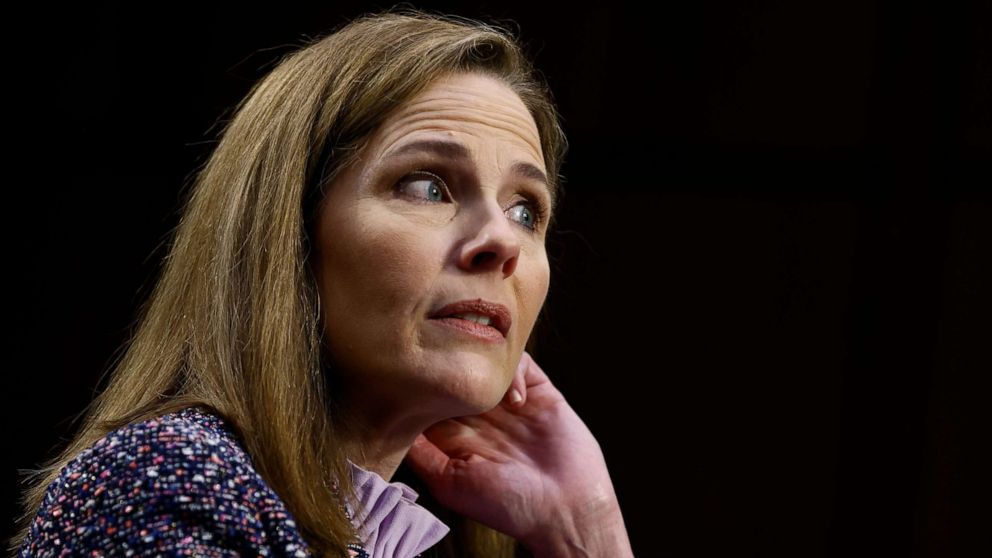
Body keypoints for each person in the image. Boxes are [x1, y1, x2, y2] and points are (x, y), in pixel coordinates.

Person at [11, 8, 634, 557]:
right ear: (289, 234)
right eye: (427, 186)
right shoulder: (168, 481)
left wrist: (587, 531)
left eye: (527, 211)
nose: (501, 242)